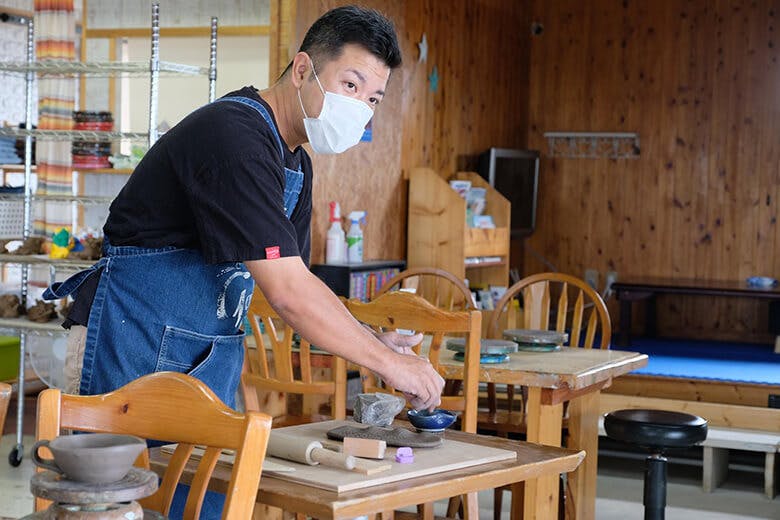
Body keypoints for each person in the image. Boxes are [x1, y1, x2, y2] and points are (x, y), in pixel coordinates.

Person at [44, 7, 444, 418]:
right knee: (125, 482)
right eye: (350, 85)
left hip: (204, 357)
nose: (360, 107)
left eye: (372, 99)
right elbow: (289, 294)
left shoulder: (296, 165)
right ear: (303, 70)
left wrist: (374, 341)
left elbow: (291, 284)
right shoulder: (234, 135)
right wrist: (392, 365)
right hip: (132, 346)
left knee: (203, 484)